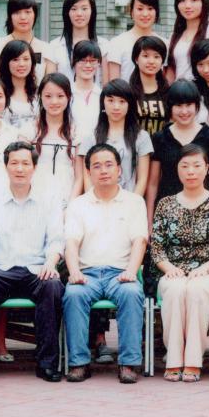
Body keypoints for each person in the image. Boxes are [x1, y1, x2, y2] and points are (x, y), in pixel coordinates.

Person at [0, 141, 65, 382]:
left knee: (52, 285)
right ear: (6, 166)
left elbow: (55, 240)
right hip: (0, 269)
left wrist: (50, 264)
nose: (19, 168)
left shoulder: (49, 199)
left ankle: (47, 364)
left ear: (34, 167)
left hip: (36, 269)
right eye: (14, 163)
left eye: (25, 163)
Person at [62, 143, 149, 384]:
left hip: (120, 272)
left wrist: (131, 271)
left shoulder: (134, 202)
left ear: (119, 169)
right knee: (73, 294)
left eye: (109, 165)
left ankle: (128, 363)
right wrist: (74, 272)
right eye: (97, 166)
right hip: (87, 273)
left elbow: (140, 241)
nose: (103, 171)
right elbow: (71, 243)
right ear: (88, 172)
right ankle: (79, 363)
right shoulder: (78, 204)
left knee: (131, 293)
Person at [151, 144, 209, 382]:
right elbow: (156, 248)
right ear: (177, 169)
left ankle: (193, 361)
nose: (191, 171)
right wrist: (170, 269)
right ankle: (174, 359)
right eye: (185, 166)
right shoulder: (165, 205)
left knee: (197, 289)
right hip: (173, 271)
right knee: (176, 289)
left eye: (197, 165)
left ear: (207, 168)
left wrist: (204, 269)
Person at [146, 81, 209, 214]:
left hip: (203, 210)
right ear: (170, 107)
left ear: (197, 106)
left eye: (188, 105)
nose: (184, 111)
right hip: (168, 212)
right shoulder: (159, 138)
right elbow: (153, 183)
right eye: (178, 105)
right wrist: (149, 220)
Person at [23, 72, 82, 214]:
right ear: (40, 97)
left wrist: (70, 207)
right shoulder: (28, 130)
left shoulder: (77, 132)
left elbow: (79, 177)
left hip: (66, 200)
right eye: (48, 96)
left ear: (69, 97)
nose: (54, 101)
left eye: (60, 96)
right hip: (34, 200)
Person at [81, 78, 153, 194]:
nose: (116, 107)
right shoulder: (90, 138)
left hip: (129, 201)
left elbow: (142, 179)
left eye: (122, 101)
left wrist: (133, 202)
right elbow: (87, 178)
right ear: (103, 103)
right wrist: (94, 203)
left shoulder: (141, 137)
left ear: (129, 105)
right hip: (97, 201)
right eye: (110, 100)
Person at [0, 0, 61, 79]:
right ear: (10, 16)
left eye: (28, 12)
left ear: (35, 15)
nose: (23, 17)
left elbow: (50, 83)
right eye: (17, 12)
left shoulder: (47, 49)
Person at [106, 0, 164, 83]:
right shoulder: (117, 43)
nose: (145, 14)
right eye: (140, 9)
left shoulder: (164, 43)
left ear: (156, 12)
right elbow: (113, 84)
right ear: (132, 12)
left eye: (150, 9)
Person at [55, 0, 109, 71]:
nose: (79, 14)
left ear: (92, 11)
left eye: (84, 9)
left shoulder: (104, 46)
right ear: (67, 13)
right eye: (74, 9)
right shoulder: (55, 46)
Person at [129, 34, 171, 135]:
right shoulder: (128, 92)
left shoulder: (169, 92)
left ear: (162, 61)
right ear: (136, 59)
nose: (151, 61)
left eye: (156, 56)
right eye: (145, 56)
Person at [0, 39, 40, 131]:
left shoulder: (40, 93)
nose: (21, 64)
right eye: (15, 59)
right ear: (6, 63)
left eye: (26, 59)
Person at [68, 39, 104, 139]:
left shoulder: (103, 96)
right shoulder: (65, 94)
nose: (88, 65)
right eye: (83, 60)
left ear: (99, 63)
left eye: (93, 61)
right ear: (73, 62)